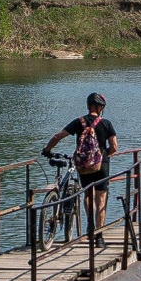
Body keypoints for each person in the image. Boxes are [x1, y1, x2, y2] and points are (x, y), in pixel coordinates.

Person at [43, 92, 118, 245]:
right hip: (101, 166)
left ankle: (90, 226)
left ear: (88, 106)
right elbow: (114, 147)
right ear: (100, 107)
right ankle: (99, 236)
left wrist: (47, 150)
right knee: (101, 199)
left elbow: (58, 136)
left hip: (84, 166)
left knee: (88, 195)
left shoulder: (79, 122)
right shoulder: (106, 123)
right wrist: (105, 156)